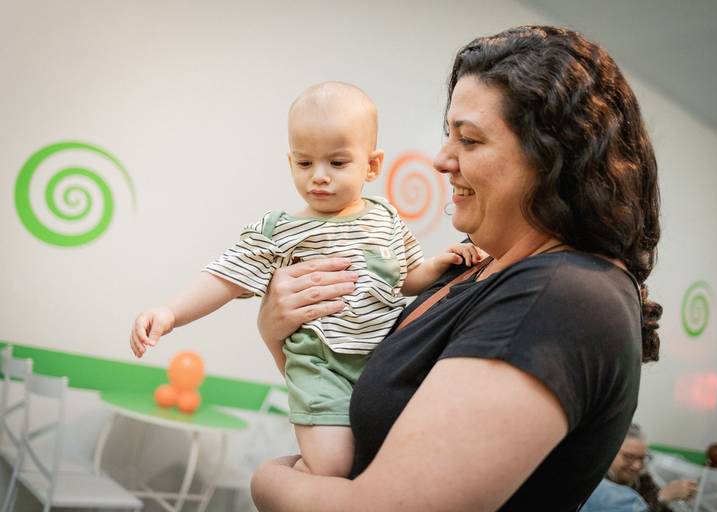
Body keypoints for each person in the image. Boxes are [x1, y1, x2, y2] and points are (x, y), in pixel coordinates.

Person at [250, 25, 663, 511]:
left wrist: (268, 481)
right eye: (449, 135)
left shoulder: (561, 296)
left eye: (468, 140)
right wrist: (277, 332)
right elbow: (357, 403)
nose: (442, 160)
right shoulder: (469, 273)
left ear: (551, 157)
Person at [128, 81, 483, 477]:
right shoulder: (280, 230)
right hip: (320, 366)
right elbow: (225, 277)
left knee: (385, 458)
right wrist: (170, 313)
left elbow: (407, 278)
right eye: (304, 163)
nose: (319, 177)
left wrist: (440, 263)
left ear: (372, 165)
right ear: (290, 162)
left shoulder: (385, 218)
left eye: (337, 163)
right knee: (332, 464)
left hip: (381, 361)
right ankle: (301, 474)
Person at [587, 423, 697, 512]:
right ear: (609, 451)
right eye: (629, 457)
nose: (637, 466)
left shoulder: (641, 480)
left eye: (642, 458)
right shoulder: (596, 487)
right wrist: (662, 498)